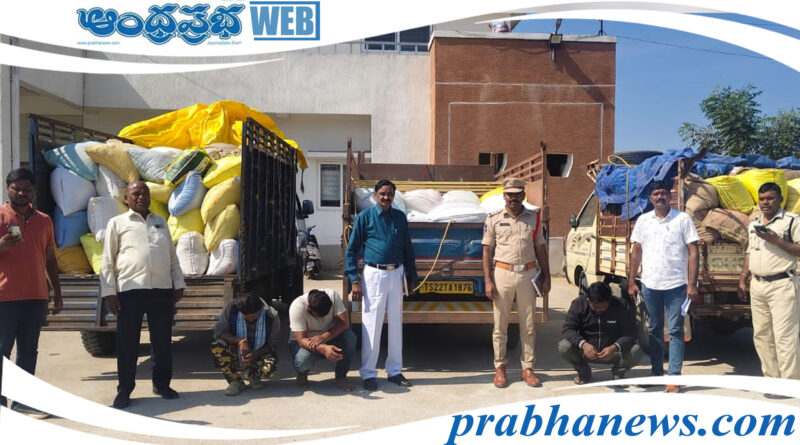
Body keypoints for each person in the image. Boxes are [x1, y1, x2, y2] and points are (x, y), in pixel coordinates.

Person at [100, 181, 185, 409]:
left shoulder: (160, 222)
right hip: (130, 291)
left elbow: (172, 256)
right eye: (135, 193)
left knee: (162, 341)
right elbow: (107, 260)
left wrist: (178, 283)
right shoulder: (117, 223)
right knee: (128, 343)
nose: (141, 197)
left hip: (161, 290)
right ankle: (124, 390)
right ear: (126, 198)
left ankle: (162, 384)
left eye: (144, 193)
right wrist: (109, 292)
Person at [0, 168, 62, 417]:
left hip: (36, 296)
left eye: (27, 189)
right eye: (16, 188)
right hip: (4, 297)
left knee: (28, 351)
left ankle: (23, 401)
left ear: (34, 190)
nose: (21, 193)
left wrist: (57, 292)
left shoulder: (44, 220)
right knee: (2, 351)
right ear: (8, 189)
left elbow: (50, 258)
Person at [345, 179, 417, 391]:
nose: (386, 197)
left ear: (394, 196)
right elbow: (351, 250)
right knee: (372, 324)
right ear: (375, 195)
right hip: (374, 274)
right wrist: (354, 280)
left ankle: (394, 371)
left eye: (390, 194)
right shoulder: (365, 217)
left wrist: (412, 276)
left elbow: (407, 248)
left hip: (397, 273)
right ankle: (368, 373)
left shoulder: (400, 218)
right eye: (383, 193)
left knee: (396, 324)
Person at [628, 179, 699, 393]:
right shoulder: (643, 221)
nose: (660, 197)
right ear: (650, 198)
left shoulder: (682, 219)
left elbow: (693, 251)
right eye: (656, 194)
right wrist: (632, 280)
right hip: (650, 284)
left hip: (676, 284)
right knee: (654, 329)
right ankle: (657, 372)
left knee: (676, 330)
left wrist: (692, 284)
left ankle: (674, 377)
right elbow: (636, 250)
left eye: (663, 193)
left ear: (670, 196)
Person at [482, 177, 550, 388]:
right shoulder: (493, 219)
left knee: (528, 325)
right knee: (500, 325)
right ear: (504, 195)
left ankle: (528, 368)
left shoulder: (534, 218)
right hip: (502, 273)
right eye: (509, 194)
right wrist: (488, 280)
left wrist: (547, 276)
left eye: (517, 194)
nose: (513, 198)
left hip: (528, 274)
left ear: (523, 195)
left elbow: (541, 249)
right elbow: (487, 251)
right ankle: (500, 367)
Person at [738, 182, 800, 396]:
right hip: (758, 285)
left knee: (785, 337)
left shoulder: (791, 221)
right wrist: (743, 278)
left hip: (782, 285)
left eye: (770, 198)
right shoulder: (754, 223)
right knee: (762, 335)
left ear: (780, 199)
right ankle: (772, 380)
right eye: (762, 199)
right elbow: (750, 251)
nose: (765, 203)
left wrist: (776, 240)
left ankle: (789, 384)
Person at [559, 282, 642, 384]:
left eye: (603, 307)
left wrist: (615, 347)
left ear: (610, 300)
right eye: (594, 307)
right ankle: (583, 372)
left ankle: (618, 372)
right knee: (564, 347)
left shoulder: (621, 305)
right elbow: (568, 329)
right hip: (586, 352)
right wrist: (583, 344)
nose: (598, 310)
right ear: (588, 300)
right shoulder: (579, 304)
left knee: (637, 350)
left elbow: (630, 332)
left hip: (613, 353)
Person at [210, 293, 280, 396]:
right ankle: (235, 381)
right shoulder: (232, 309)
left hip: (259, 353)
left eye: (254, 318)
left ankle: (253, 375)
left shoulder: (271, 315)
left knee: (270, 368)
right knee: (218, 346)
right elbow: (218, 332)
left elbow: (271, 345)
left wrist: (254, 355)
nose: (250, 320)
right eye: (247, 318)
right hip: (236, 351)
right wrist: (240, 341)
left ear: (260, 310)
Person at [289, 288, 357, 392]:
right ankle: (302, 373)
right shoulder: (297, 307)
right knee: (301, 362)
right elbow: (301, 340)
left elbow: (344, 323)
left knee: (350, 338)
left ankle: (341, 377)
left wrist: (325, 337)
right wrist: (323, 349)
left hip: (329, 336)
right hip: (305, 341)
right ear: (308, 307)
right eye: (318, 316)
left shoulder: (333, 296)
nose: (321, 319)